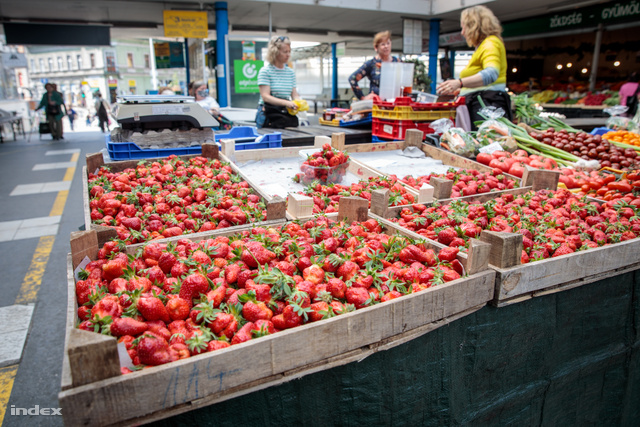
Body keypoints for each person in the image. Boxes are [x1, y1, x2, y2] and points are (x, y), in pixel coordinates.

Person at [436, 5, 512, 130]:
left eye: (464, 27)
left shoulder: (491, 43)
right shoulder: (483, 46)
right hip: (483, 103)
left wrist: (460, 83)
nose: (462, 32)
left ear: (474, 26)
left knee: (487, 144)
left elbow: (491, 73)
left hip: (487, 104)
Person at [255, 35, 301, 128]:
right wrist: (287, 103)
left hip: (285, 114)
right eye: (285, 52)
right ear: (275, 52)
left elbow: (294, 94)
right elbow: (266, 97)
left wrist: (299, 102)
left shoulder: (290, 72)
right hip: (268, 114)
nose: (288, 54)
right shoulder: (265, 71)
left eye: (289, 51)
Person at [349, 31, 399, 100]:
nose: (386, 46)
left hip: (395, 104)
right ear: (376, 47)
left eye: (388, 43)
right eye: (383, 44)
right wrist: (363, 98)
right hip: (376, 104)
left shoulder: (398, 62)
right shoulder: (371, 64)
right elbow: (352, 78)